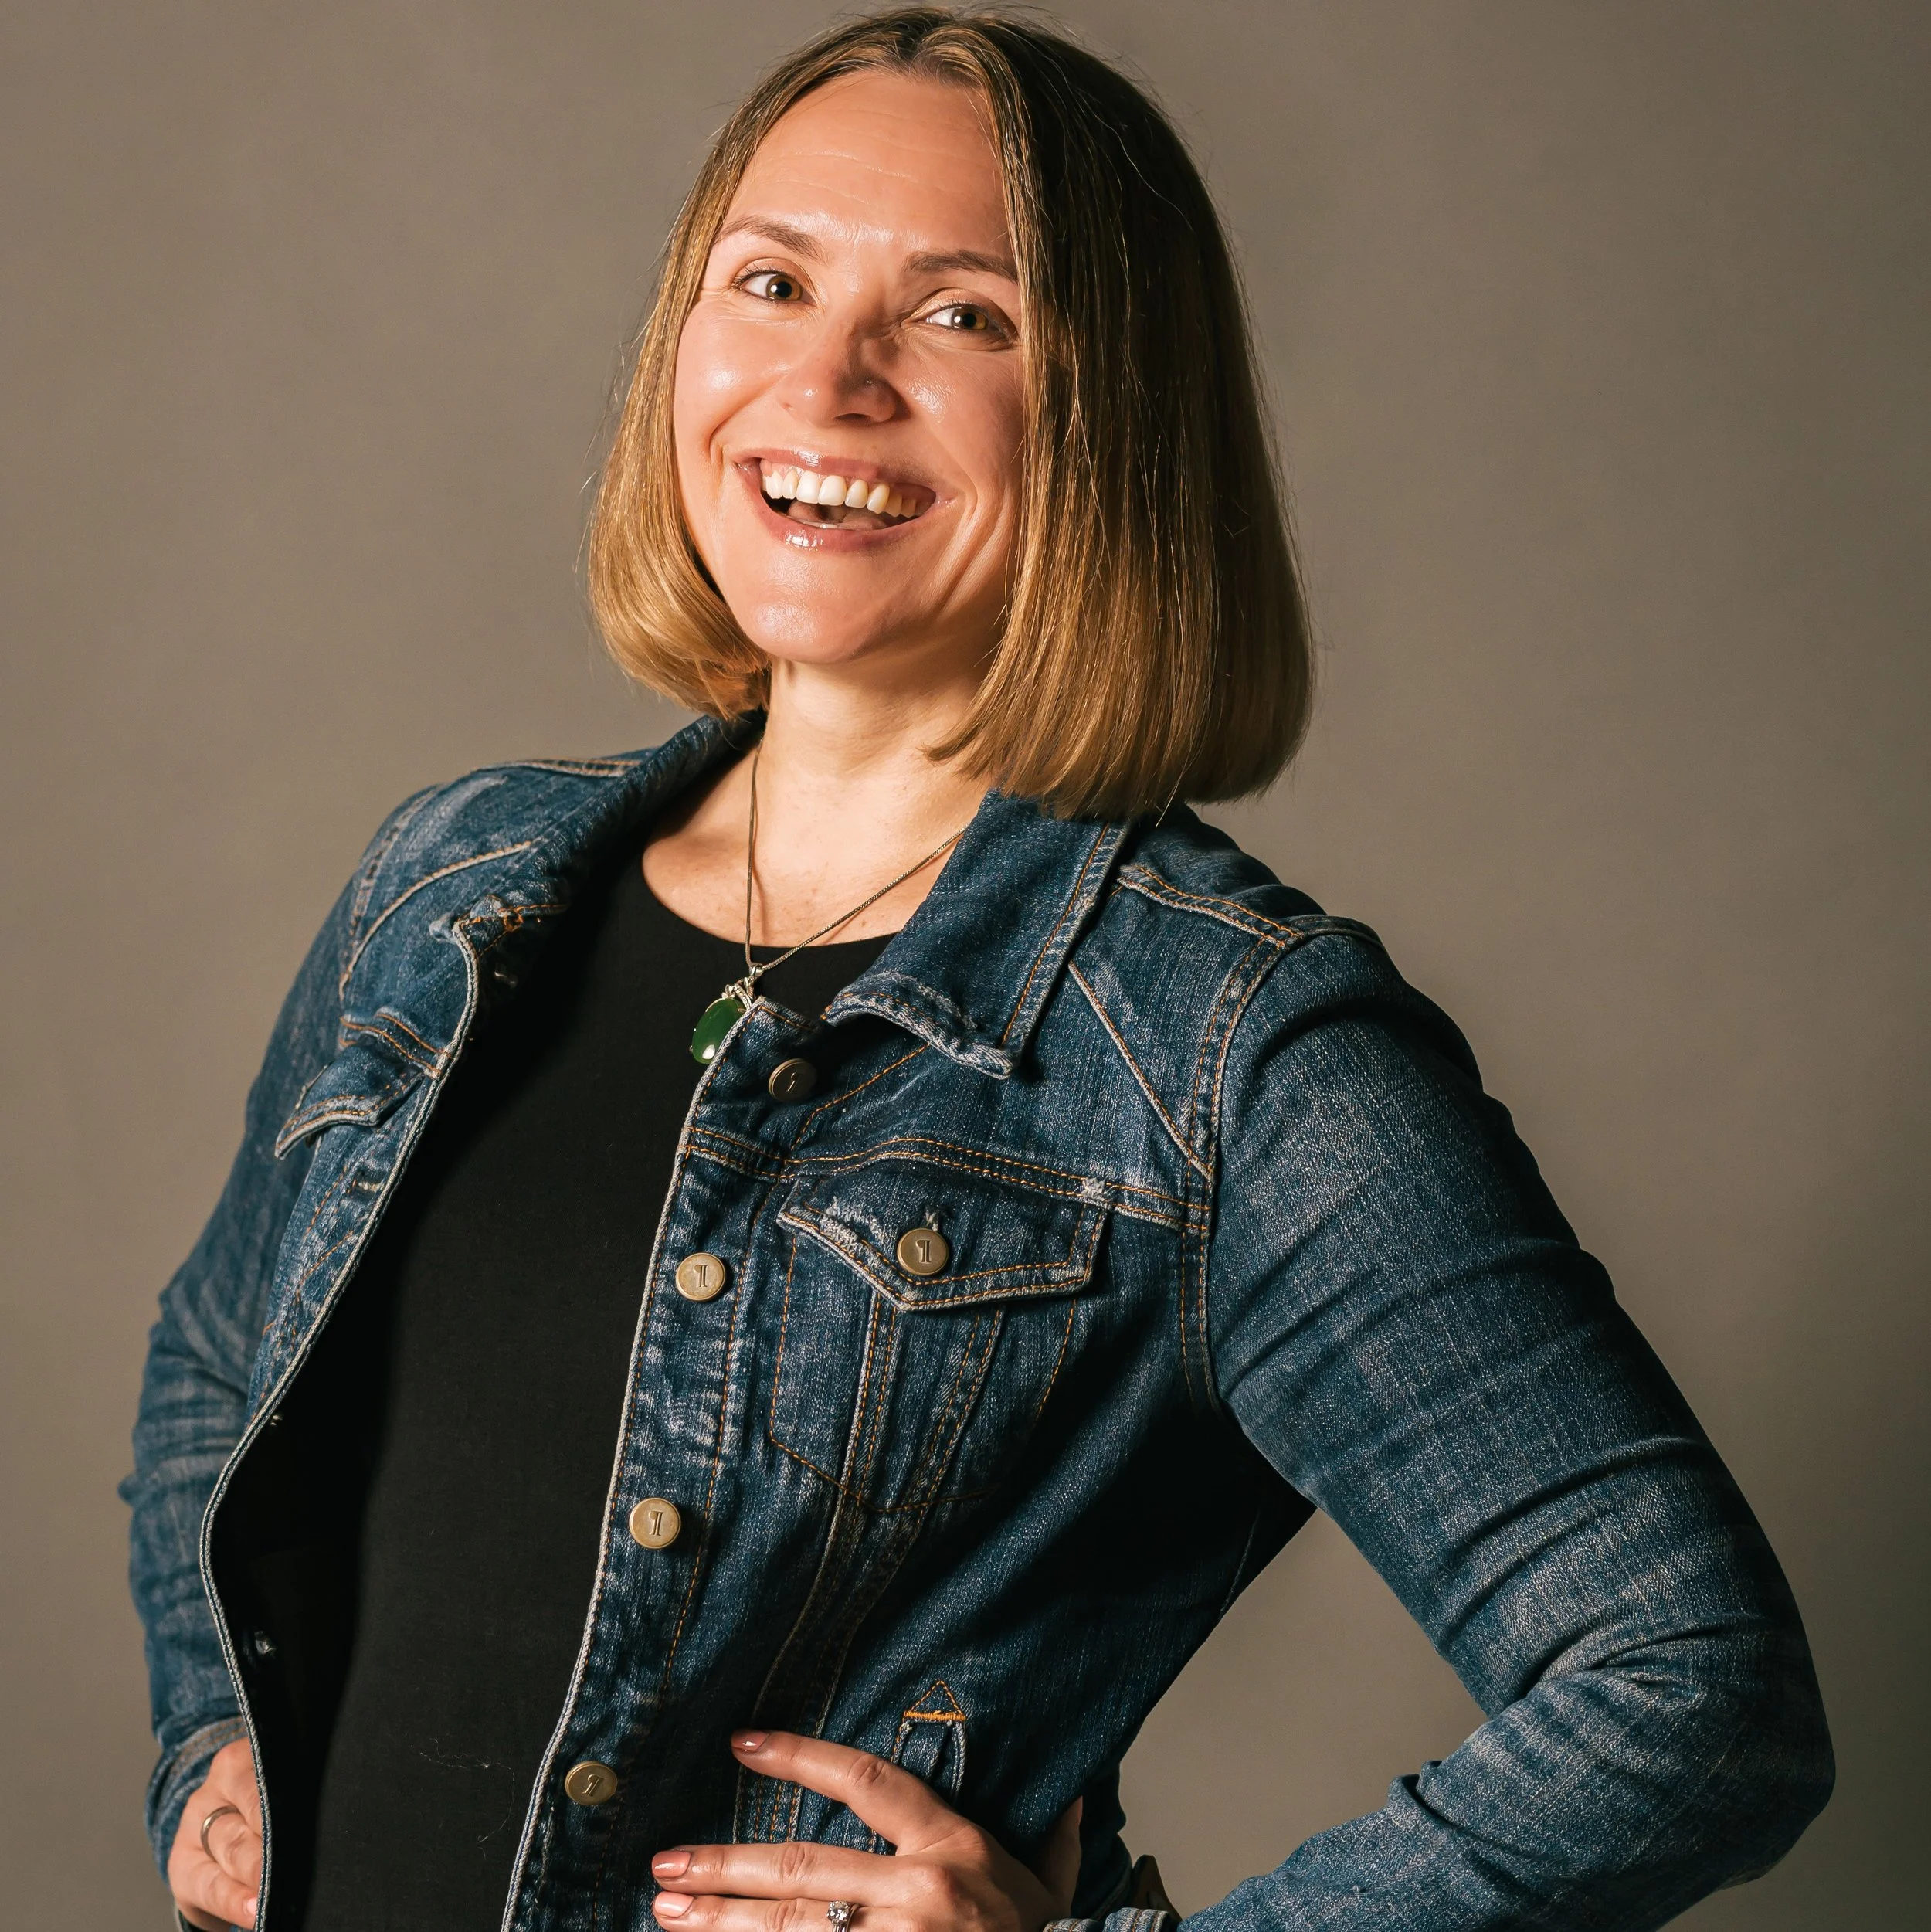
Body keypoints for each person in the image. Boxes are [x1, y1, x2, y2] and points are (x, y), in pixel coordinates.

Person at [126, 11, 1834, 1931]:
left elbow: (1689, 1685)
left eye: (962, 320)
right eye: (768, 281)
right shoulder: (455, 882)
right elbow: (218, 1353)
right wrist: (210, 1743)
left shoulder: (1221, 1044)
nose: (828, 380)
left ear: (1115, 417)